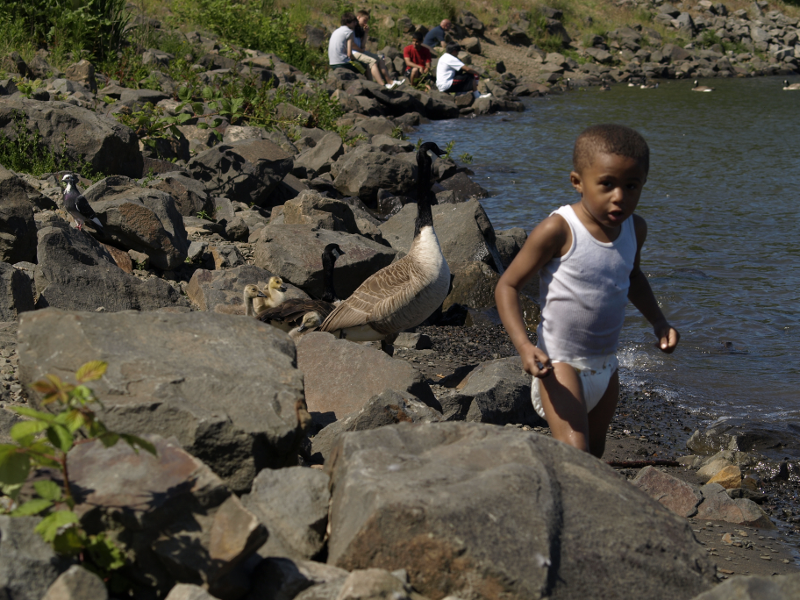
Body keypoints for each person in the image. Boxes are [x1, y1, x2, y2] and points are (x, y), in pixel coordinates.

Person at [495, 124, 680, 459]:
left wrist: (659, 322)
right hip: (558, 362)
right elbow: (507, 285)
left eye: (632, 185)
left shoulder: (635, 229)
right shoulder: (560, 229)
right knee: (576, 455)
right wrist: (524, 346)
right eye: (607, 184)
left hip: (606, 366)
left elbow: (633, 277)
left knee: (595, 455)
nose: (620, 196)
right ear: (577, 182)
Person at [352, 10, 404, 89]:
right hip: (353, 52)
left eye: (367, 21)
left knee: (380, 58)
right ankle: (382, 85)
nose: (365, 23)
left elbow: (362, 45)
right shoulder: (352, 27)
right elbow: (351, 45)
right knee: (372, 62)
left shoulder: (360, 29)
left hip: (359, 51)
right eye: (364, 20)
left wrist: (366, 33)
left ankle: (390, 82)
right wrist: (360, 49)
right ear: (358, 17)